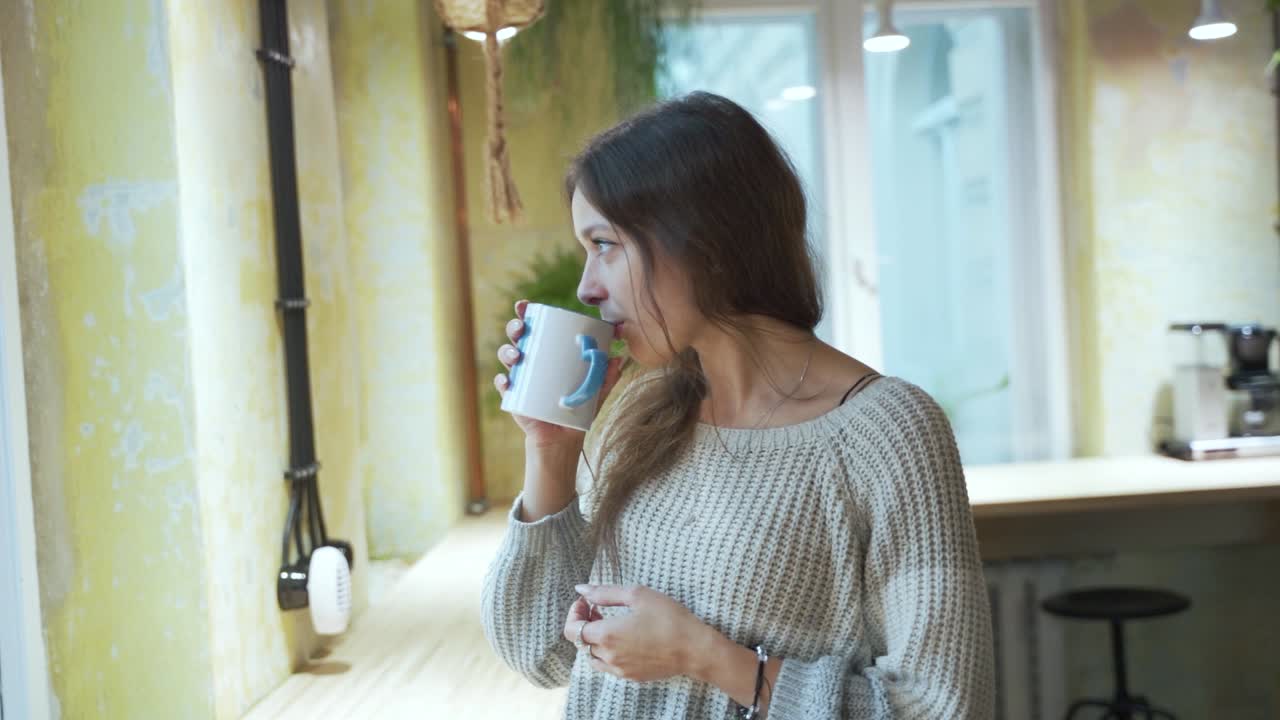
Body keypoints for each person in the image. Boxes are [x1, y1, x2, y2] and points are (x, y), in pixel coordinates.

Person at [480, 91, 993, 719]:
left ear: (702, 241)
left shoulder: (889, 434)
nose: (588, 286)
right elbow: (540, 652)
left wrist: (707, 656)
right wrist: (551, 450)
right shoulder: (645, 417)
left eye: (605, 244)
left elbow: (944, 708)